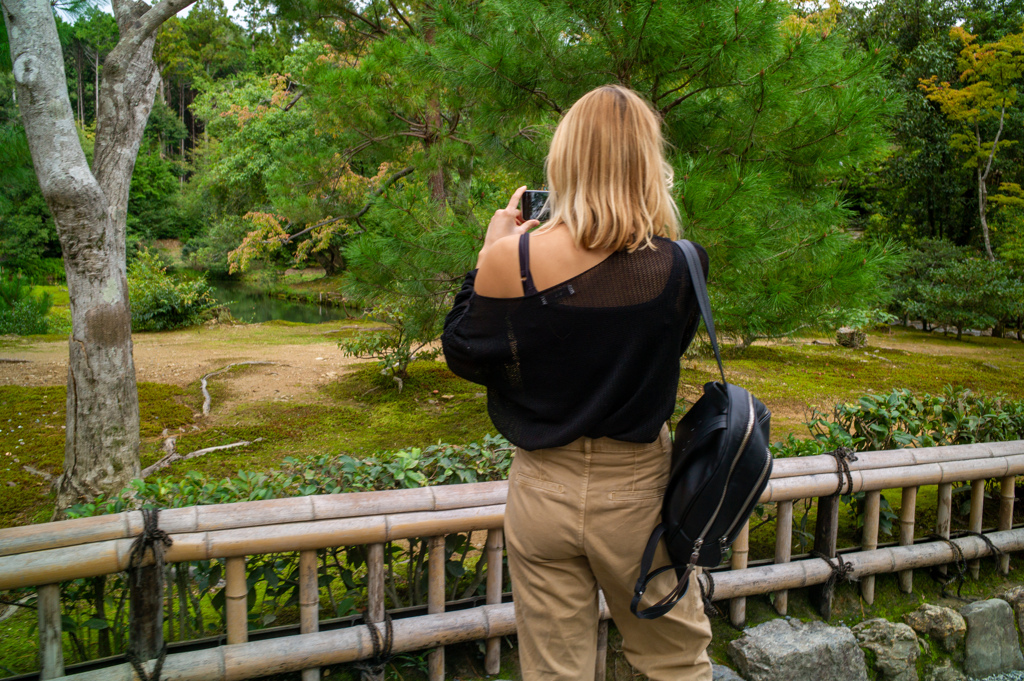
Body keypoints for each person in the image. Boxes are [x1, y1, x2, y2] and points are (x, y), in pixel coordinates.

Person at [441, 84, 713, 681]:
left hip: (541, 488)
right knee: (676, 661)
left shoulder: (512, 258)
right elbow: (655, 351)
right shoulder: (683, 264)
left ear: (564, 161)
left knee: (554, 671)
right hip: (638, 490)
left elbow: (464, 352)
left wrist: (490, 255)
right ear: (648, 162)